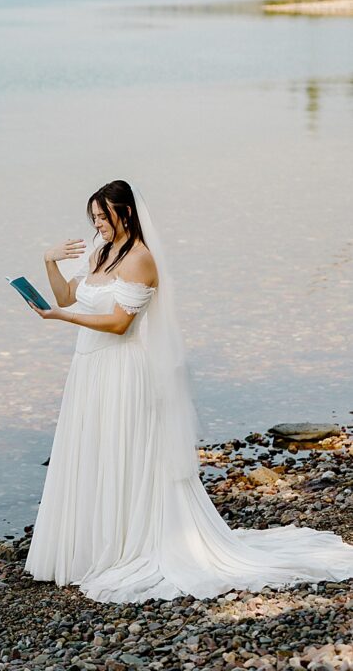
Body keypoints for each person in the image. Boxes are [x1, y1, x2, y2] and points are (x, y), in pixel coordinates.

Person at [24, 179, 353, 602]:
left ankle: (126, 542)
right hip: (89, 366)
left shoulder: (140, 259)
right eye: (93, 219)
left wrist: (59, 319)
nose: (97, 225)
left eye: (103, 218)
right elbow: (69, 297)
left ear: (125, 213)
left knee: (124, 450)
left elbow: (121, 324)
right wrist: (48, 261)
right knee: (93, 448)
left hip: (123, 368)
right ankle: (89, 545)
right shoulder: (99, 250)